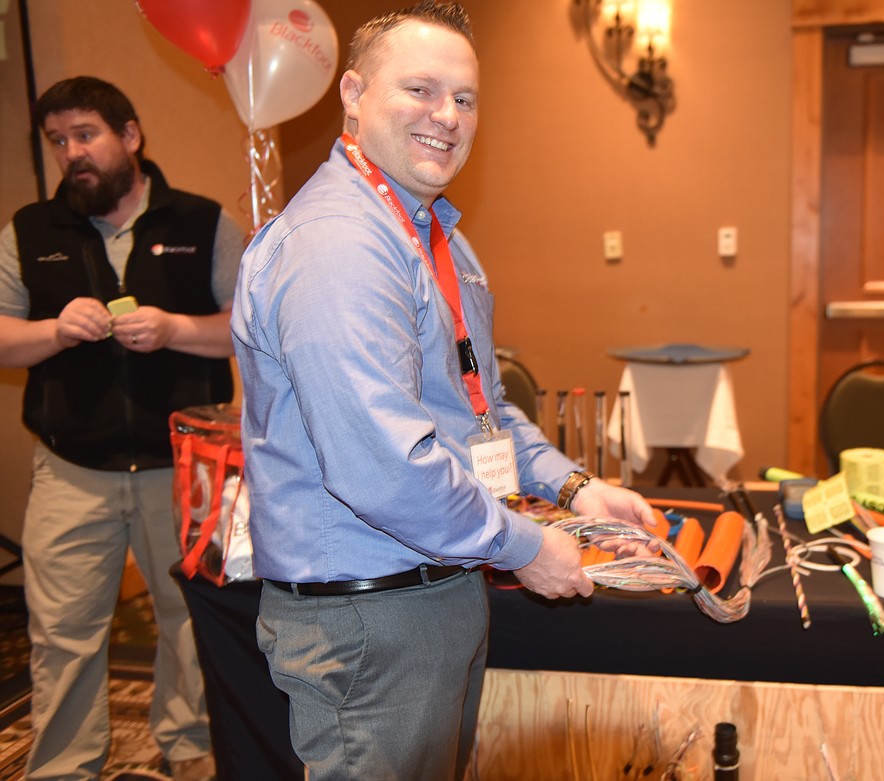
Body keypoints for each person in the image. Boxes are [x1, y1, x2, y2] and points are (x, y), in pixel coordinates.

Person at [230, 2, 658, 779]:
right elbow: (384, 465)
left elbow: (479, 412)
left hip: (436, 593)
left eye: (464, 98)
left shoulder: (437, 236)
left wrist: (576, 486)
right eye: (420, 90)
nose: (447, 116)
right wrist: (526, 545)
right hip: (368, 618)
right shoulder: (337, 247)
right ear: (353, 94)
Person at [0, 76, 242, 781]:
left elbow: (249, 327)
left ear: (130, 136)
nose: (71, 154)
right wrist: (50, 331)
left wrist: (175, 328)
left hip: (183, 467)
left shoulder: (203, 224)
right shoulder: (28, 231)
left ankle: (191, 743)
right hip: (72, 470)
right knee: (63, 634)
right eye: (58, 142)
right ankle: (64, 766)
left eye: (86, 136)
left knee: (192, 621)